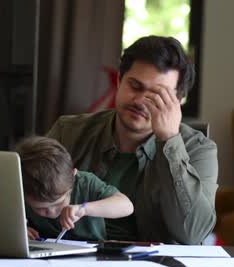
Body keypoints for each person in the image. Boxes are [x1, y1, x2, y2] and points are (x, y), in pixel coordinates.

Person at [47, 36, 218, 244]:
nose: (139, 101)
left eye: (157, 95)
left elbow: (193, 234)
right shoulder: (68, 132)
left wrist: (169, 140)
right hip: (73, 264)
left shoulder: (199, 150)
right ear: (119, 80)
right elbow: (22, 197)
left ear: (177, 102)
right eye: (135, 86)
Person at [16, 136, 134, 241]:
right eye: (41, 208)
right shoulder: (21, 189)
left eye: (59, 202)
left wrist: (84, 209)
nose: (52, 212)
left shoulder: (85, 183)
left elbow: (127, 206)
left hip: (92, 254)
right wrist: (20, 230)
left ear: (73, 176)